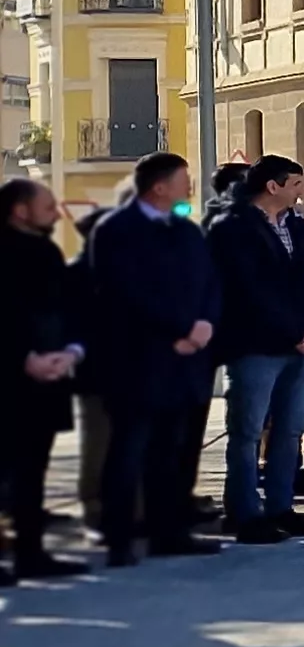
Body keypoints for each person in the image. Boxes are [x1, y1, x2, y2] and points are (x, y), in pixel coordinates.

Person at [83, 153, 224, 564]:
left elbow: (210, 283)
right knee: (129, 451)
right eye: (184, 179)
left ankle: (169, 532)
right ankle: (120, 538)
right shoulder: (117, 230)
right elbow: (125, 292)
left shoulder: (184, 230)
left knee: (172, 452)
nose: (190, 187)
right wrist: (180, 329)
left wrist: (204, 325)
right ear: (159, 186)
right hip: (138, 360)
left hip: (186, 361)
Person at [208, 154, 304, 545]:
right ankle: (245, 513)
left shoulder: (299, 227)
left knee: (290, 429)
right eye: (295, 183)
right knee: (246, 430)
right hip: (256, 344)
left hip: (303, 347)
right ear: (273, 186)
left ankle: (281, 507)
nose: (301, 191)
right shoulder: (232, 228)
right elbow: (249, 289)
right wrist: (293, 329)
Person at [0, 181, 82, 581]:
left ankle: (31, 553)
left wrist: (68, 353)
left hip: (48, 378)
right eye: (48, 205)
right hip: (9, 380)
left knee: (33, 471)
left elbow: (64, 309)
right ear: (20, 210)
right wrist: (24, 358)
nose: (57, 212)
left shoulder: (48, 252)